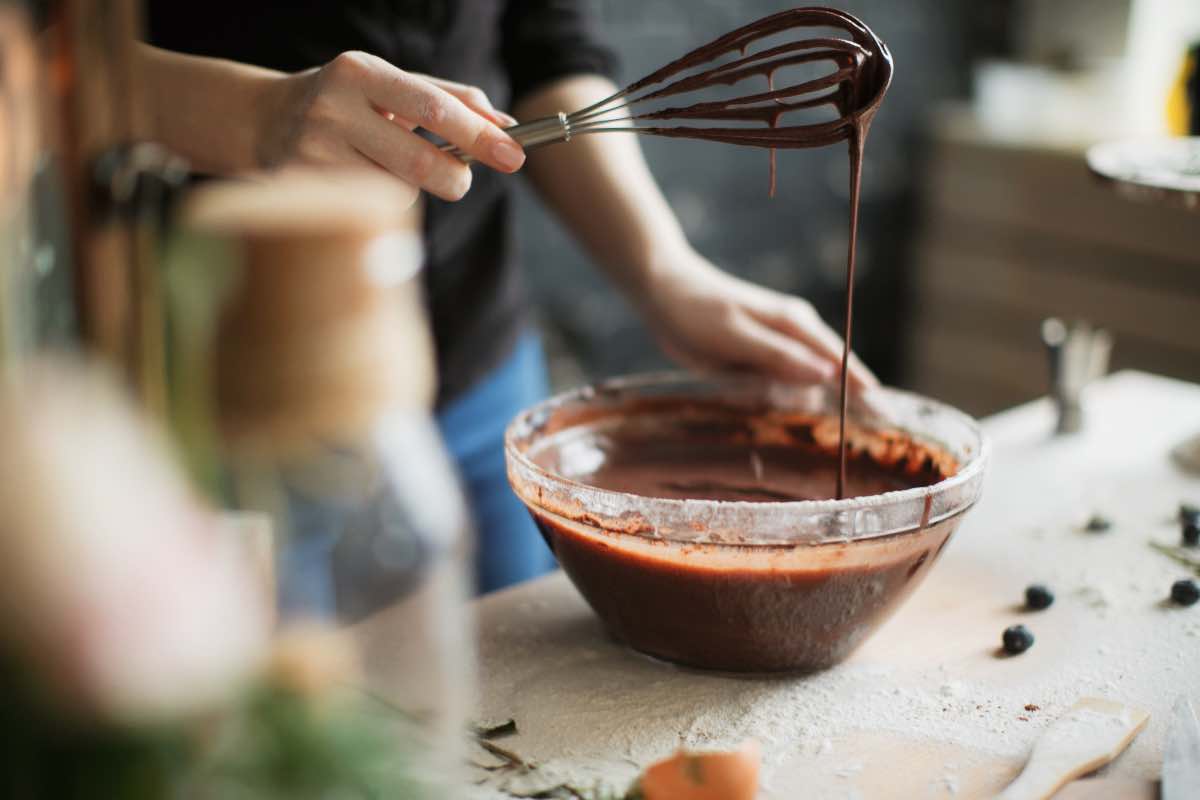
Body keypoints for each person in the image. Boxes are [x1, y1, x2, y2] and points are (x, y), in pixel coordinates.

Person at [139, 2, 877, 595]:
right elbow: (29, 58)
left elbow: (547, 43)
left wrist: (664, 272)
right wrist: (254, 114)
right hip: (227, 397)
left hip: (485, 376)